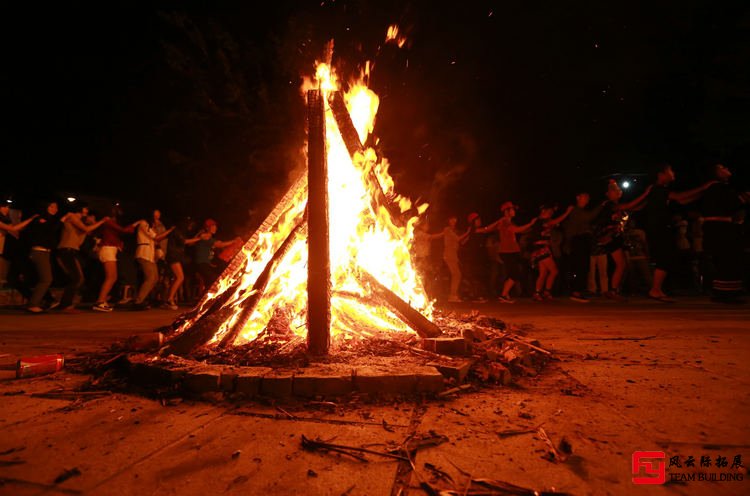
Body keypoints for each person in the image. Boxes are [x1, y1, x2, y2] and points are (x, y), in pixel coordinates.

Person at [638, 164, 716, 302]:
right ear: (661, 174)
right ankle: (655, 289)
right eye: (670, 171)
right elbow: (680, 197)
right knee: (664, 258)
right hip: (658, 229)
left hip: (661, 228)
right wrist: (704, 187)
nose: (673, 173)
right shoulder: (658, 189)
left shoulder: (661, 190)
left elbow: (683, 199)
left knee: (667, 258)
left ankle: (657, 288)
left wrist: (704, 192)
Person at [701, 164, 747, 303]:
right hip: (721, 228)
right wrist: (742, 199)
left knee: (726, 259)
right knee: (727, 258)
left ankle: (726, 291)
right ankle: (725, 293)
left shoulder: (718, 188)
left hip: (721, 227)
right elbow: (731, 204)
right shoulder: (716, 188)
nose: (727, 169)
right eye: (722, 168)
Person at [476, 202, 536, 303]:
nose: (514, 211)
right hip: (508, 251)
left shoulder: (507, 221)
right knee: (515, 274)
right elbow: (515, 230)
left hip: (511, 251)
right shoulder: (504, 221)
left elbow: (491, 227)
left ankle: (505, 294)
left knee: (511, 274)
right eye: (512, 209)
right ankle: (503, 295)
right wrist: (530, 224)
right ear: (507, 211)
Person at [56, 203, 108, 312]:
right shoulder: (72, 216)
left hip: (72, 251)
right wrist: (101, 221)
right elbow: (86, 229)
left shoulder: (79, 223)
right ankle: (65, 305)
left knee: (78, 278)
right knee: (77, 278)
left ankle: (65, 304)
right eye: (85, 209)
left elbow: (82, 237)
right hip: (66, 250)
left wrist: (91, 226)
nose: (86, 212)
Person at [92, 205, 138, 312]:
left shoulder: (109, 222)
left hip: (110, 250)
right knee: (111, 277)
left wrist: (119, 243)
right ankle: (99, 302)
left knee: (112, 277)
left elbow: (115, 235)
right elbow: (123, 230)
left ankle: (102, 300)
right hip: (107, 249)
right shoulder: (108, 221)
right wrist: (134, 224)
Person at [591, 181, 630, 300]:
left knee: (623, 264)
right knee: (621, 264)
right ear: (607, 194)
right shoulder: (609, 204)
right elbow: (629, 206)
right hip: (609, 237)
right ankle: (613, 290)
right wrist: (645, 195)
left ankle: (615, 289)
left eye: (618, 189)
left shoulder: (616, 206)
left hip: (616, 237)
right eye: (614, 189)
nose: (618, 191)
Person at [562, 192, 603, 302]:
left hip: (581, 241)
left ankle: (578, 291)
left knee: (583, 267)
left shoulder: (581, 211)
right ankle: (576, 292)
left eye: (588, 198)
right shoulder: (575, 210)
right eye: (585, 197)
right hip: (578, 241)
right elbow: (588, 217)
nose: (587, 200)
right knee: (580, 266)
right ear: (578, 198)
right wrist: (601, 206)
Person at [528, 204, 573, 301]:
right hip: (541, 249)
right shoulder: (539, 221)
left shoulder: (544, 221)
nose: (551, 214)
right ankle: (546, 291)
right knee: (554, 271)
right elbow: (555, 221)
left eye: (552, 213)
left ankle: (538, 292)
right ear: (543, 211)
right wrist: (567, 212)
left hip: (542, 248)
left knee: (543, 273)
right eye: (549, 212)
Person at [25, 201, 62, 312]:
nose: (55, 209)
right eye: (52, 206)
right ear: (46, 207)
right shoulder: (41, 218)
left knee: (44, 278)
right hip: (39, 251)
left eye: (56, 207)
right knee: (46, 279)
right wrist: (61, 221)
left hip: (45, 252)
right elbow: (48, 229)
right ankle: (32, 304)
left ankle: (44, 301)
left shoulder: (50, 219)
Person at [133, 219, 174, 310]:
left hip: (150, 256)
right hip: (144, 254)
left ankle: (142, 299)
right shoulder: (144, 224)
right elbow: (156, 237)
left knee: (154, 278)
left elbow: (156, 240)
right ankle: (138, 301)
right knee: (151, 277)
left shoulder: (149, 227)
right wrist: (169, 231)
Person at [164, 217, 201, 310]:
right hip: (173, 256)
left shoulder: (179, 232)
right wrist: (199, 238)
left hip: (174, 256)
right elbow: (184, 241)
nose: (190, 227)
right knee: (180, 277)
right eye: (190, 225)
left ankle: (169, 299)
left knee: (177, 278)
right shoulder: (177, 231)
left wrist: (198, 237)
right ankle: (169, 299)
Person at [193, 219, 240, 288]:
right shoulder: (206, 236)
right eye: (213, 226)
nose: (215, 228)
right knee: (214, 281)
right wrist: (234, 241)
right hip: (202, 264)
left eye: (215, 226)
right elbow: (220, 244)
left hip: (205, 264)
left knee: (211, 282)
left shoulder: (208, 237)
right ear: (207, 228)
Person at [0, 200, 37, 287]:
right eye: (4, 207)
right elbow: (14, 229)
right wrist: (30, 219)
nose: (7, 209)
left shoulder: (6, 221)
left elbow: (16, 230)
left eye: (8, 207)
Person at [463, 212, 489, 301]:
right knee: (475, 276)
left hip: (476, 256)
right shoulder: (473, 230)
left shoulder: (472, 231)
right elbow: (486, 229)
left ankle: (475, 295)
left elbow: (463, 241)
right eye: (478, 220)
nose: (480, 221)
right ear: (473, 221)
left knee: (477, 276)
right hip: (473, 257)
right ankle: (475, 296)